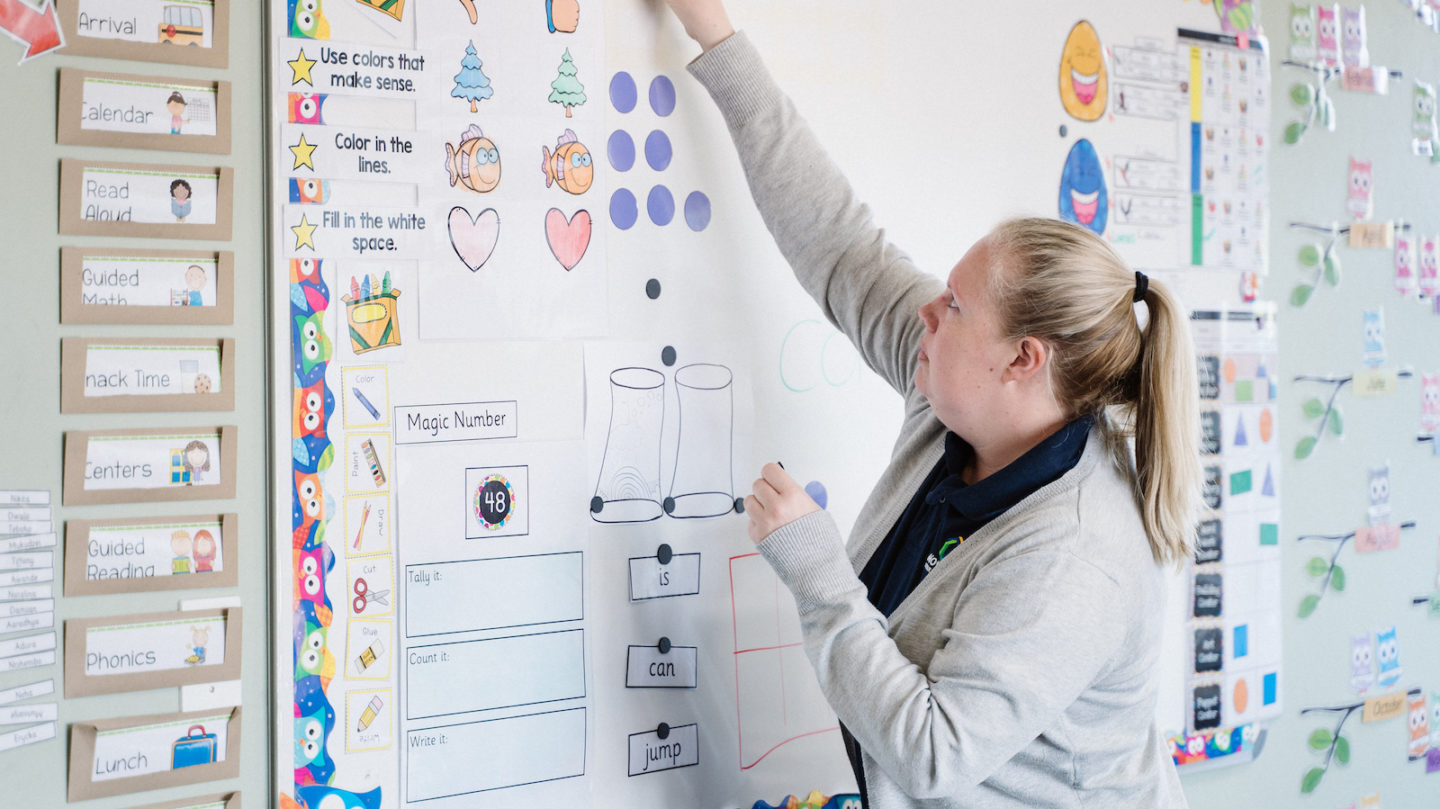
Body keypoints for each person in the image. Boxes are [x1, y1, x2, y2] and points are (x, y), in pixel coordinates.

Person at [661, 2, 1199, 807]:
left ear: (1022, 359)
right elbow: (840, 245)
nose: (927, 311)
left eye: (954, 303)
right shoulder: (956, 394)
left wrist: (817, 569)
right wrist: (716, 36)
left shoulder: (1076, 554)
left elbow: (934, 753)